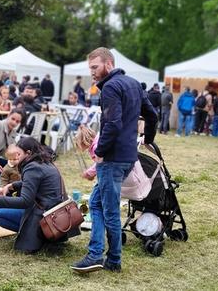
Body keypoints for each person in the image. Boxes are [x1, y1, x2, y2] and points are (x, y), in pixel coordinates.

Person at [70, 47, 157, 274]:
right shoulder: (133, 83)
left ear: (108, 64)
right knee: (97, 204)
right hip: (128, 157)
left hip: (113, 158)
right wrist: (148, 138)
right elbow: (152, 115)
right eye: (90, 68)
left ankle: (109, 259)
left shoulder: (110, 87)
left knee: (109, 211)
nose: (92, 72)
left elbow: (113, 124)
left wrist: (101, 151)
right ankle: (100, 254)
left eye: (95, 67)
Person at [0, 137, 78, 253]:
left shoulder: (32, 167)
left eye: (19, 153)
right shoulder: (45, 162)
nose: (17, 157)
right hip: (57, 216)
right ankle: (44, 235)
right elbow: (34, 182)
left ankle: (39, 236)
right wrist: (11, 186)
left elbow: (25, 201)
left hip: (45, 217)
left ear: (28, 153)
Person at [0, 108, 24, 172]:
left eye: (17, 121)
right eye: (13, 119)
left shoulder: (13, 133)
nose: (14, 123)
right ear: (8, 116)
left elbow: (6, 154)